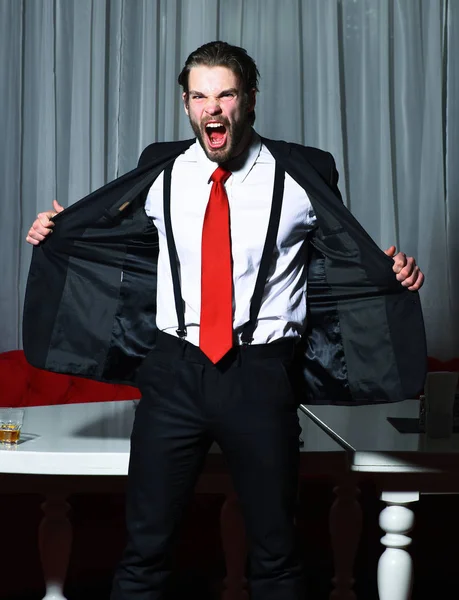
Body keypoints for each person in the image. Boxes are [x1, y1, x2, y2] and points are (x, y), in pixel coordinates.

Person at [25, 41, 426, 600]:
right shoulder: (157, 169)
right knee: (143, 552)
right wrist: (58, 229)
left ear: (250, 99)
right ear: (187, 105)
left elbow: (345, 258)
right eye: (200, 96)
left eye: (226, 94)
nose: (213, 109)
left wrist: (395, 271)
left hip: (261, 376)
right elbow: (110, 240)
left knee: (276, 555)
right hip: (171, 374)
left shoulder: (306, 172)